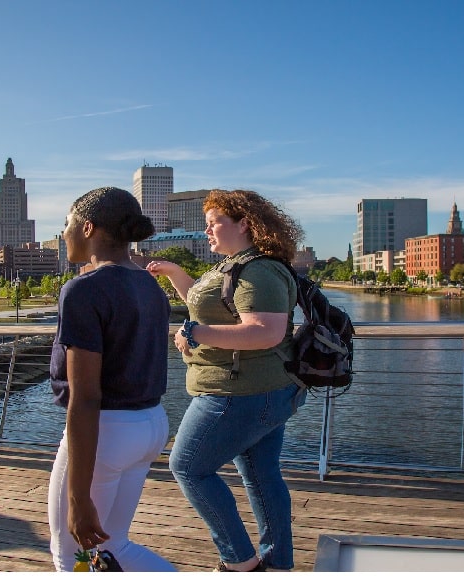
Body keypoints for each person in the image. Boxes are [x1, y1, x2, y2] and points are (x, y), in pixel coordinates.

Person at [146, 189, 306, 572]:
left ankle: (239, 561)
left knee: (188, 467)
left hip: (238, 393)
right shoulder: (236, 265)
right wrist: (175, 274)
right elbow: (212, 308)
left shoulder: (259, 270)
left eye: (214, 222)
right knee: (262, 477)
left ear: (244, 224)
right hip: (258, 391)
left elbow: (265, 331)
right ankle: (276, 564)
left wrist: (195, 333)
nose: (207, 230)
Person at [47, 187, 176, 572]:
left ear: (87, 227)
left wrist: (79, 498)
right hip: (149, 425)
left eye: (66, 224)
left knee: (70, 554)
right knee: (114, 545)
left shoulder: (84, 290)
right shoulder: (149, 287)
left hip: (107, 431)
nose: (64, 232)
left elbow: (85, 397)